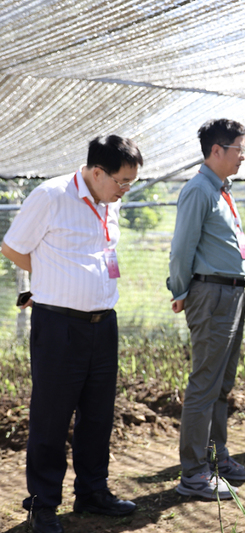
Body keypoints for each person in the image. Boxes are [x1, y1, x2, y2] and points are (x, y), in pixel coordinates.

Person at [2, 136, 142, 533]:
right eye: (122, 181)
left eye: (131, 182)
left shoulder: (109, 201)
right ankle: (43, 504)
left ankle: (92, 491)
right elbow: (12, 248)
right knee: (51, 417)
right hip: (59, 325)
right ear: (97, 172)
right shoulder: (51, 195)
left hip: (104, 323)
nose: (124, 190)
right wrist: (47, 281)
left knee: (98, 415)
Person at [169, 119, 245, 500]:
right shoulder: (199, 190)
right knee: (204, 384)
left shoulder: (222, 191)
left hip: (232, 294)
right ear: (216, 150)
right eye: (239, 149)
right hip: (212, 293)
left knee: (222, 384)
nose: (243, 156)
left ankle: (217, 459)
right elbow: (182, 248)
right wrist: (180, 289)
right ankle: (193, 473)